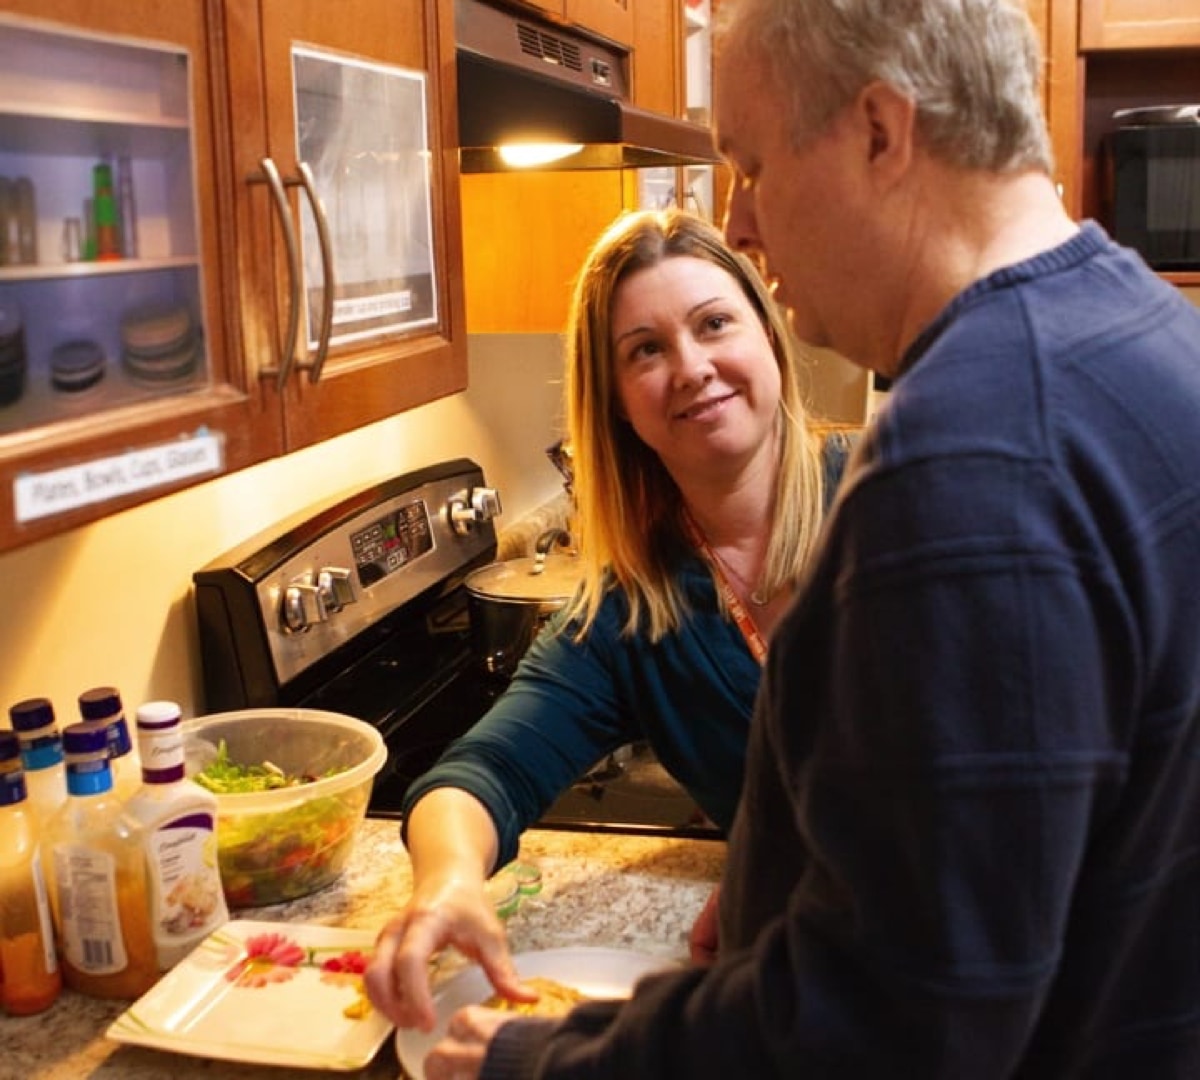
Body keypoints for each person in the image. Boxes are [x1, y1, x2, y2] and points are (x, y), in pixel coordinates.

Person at [408, 1, 1200, 1077]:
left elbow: (894, 1029)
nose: (741, 221)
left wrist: (541, 1064)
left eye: (751, 163)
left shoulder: (963, 461)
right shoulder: (1153, 336)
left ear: (880, 131)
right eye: (644, 351)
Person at [365, 208, 853, 1030]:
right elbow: (484, 772)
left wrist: (788, 865)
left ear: (768, 336)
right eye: (646, 350)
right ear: (619, 403)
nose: (691, 367)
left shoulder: (895, 491)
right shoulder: (631, 612)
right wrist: (447, 881)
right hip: (800, 995)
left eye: (714, 323)